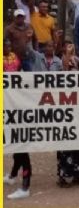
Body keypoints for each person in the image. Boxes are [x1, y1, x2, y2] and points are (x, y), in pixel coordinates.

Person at [56, 42, 79, 188]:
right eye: (67, 46)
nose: (70, 48)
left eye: (72, 46)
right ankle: (63, 176)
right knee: (64, 143)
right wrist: (68, 56)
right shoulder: (62, 60)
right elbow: (63, 75)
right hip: (64, 111)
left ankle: (77, 174)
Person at [3, 39, 31, 200]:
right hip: (7, 104)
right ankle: (13, 175)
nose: (7, 48)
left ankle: (25, 186)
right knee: (16, 145)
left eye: (8, 45)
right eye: (4, 46)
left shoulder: (15, 57)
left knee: (21, 146)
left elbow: (21, 74)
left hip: (16, 104)